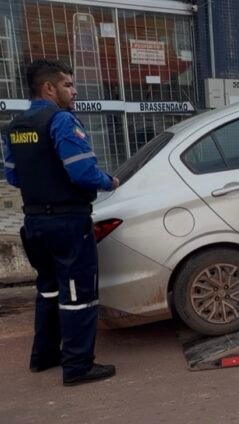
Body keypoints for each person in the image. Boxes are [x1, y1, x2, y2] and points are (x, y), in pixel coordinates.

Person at [1, 59, 119, 386]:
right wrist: (110, 181)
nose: (74, 90)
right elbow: (82, 172)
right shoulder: (61, 121)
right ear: (49, 88)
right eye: (68, 84)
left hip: (34, 223)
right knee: (78, 295)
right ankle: (78, 367)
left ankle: (44, 356)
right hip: (67, 222)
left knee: (49, 290)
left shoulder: (15, 126)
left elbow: (12, 175)